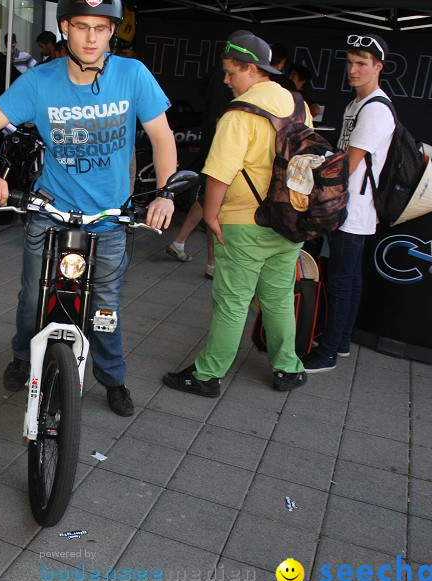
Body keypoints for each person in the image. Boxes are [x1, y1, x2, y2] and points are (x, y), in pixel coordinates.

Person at [0, 0, 177, 417]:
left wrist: (165, 193)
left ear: (112, 31)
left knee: (105, 305)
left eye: (102, 28)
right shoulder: (40, 81)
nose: (91, 37)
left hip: (109, 217)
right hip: (51, 211)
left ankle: (112, 376)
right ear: (65, 27)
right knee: (33, 296)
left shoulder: (133, 75)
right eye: (82, 26)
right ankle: (23, 356)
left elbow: (162, 137)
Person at [162, 33, 309, 397]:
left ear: (251, 69)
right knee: (277, 297)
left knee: (232, 302)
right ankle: (288, 368)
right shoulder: (297, 104)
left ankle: (207, 375)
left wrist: (211, 218)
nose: (226, 81)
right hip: (290, 219)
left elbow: (218, 175)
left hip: (244, 222)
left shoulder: (239, 113)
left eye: (231, 73)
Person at [302, 33, 394, 374]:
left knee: (342, 279)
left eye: (362, 64)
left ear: (378, 67)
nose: (353, 70)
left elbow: (349, 165)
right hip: (347, 206)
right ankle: (339, 342)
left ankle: (327, 352)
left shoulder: (375, 109)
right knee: (348, 277)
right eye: (350, 62)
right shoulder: (357, 104)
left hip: (351, 209)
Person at [163, 30, 252, 279]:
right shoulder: (232, 92)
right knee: (212, 204)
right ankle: (210, 262)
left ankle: (184, 244)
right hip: (221, 148)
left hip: (214, 143)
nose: (227, 80)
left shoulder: (220, 75)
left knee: (207, 200)